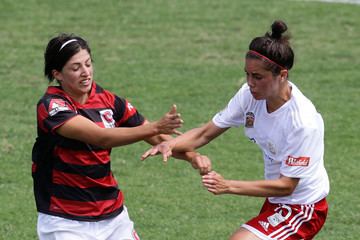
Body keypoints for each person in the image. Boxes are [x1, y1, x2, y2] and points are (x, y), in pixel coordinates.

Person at [142, 20, 329, 240]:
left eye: (258, 77)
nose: (250, 82)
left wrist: (227, 185)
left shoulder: (302, 123)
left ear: (283, 75)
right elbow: (204, 134)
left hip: (302, 208)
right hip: (276, 201)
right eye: (248, 74)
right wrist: (169, 144)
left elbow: (286, 186)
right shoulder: (249, 95)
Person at [32, 33, 211, 240]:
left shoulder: (108, 100)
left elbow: (160, 141)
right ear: (58, 74)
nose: (85, 73)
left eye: (88, 64)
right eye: (75, 68)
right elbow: (101, 137)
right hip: (64, 220)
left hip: (113, 217)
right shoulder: (52, 106)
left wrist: (192, 156)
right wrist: (156, 127)